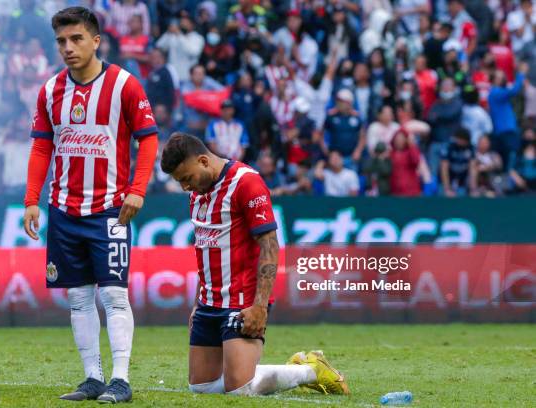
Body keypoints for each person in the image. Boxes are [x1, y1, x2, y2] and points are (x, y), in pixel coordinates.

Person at [22, 7, 158, 403]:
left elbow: (148, 139)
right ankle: (92, 378)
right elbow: (42, 145)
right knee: (78, 298)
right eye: (62, 41)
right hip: (63, 211)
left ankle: (120, 379)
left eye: (76, 39)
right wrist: (32, 200)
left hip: (110, 210)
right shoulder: (50, 91)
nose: (68, 47)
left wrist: (138, 188)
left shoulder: (124, 85)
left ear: (96, 40)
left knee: (114, 295)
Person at [160, 132, 349, 396]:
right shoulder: (199, 193)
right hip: (208, 302)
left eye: (186, 178)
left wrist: (260, 306)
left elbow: (270, 245)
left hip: (242, 301)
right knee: (200, 388)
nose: (184, 187)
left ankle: (311, 369)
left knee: (240, 389)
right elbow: (206, 251)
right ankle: (280, 369)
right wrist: (196, 304)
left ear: (203, 161)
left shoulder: (246, 182)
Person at [440, 128, 477, 196]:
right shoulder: (449, 147)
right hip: (449, 177)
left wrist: (473, 189)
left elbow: (473, 168)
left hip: (463, 178)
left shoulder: (471, 148)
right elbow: (444, 168)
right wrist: (447, 188)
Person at [389, 128, 422, 196]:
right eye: (397, 139)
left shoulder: (411, 151)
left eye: (402, 139)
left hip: (411, 191)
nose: (399, 141)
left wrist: (411, 146)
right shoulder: (390, 154)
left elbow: (416, 161)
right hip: (395, 191)